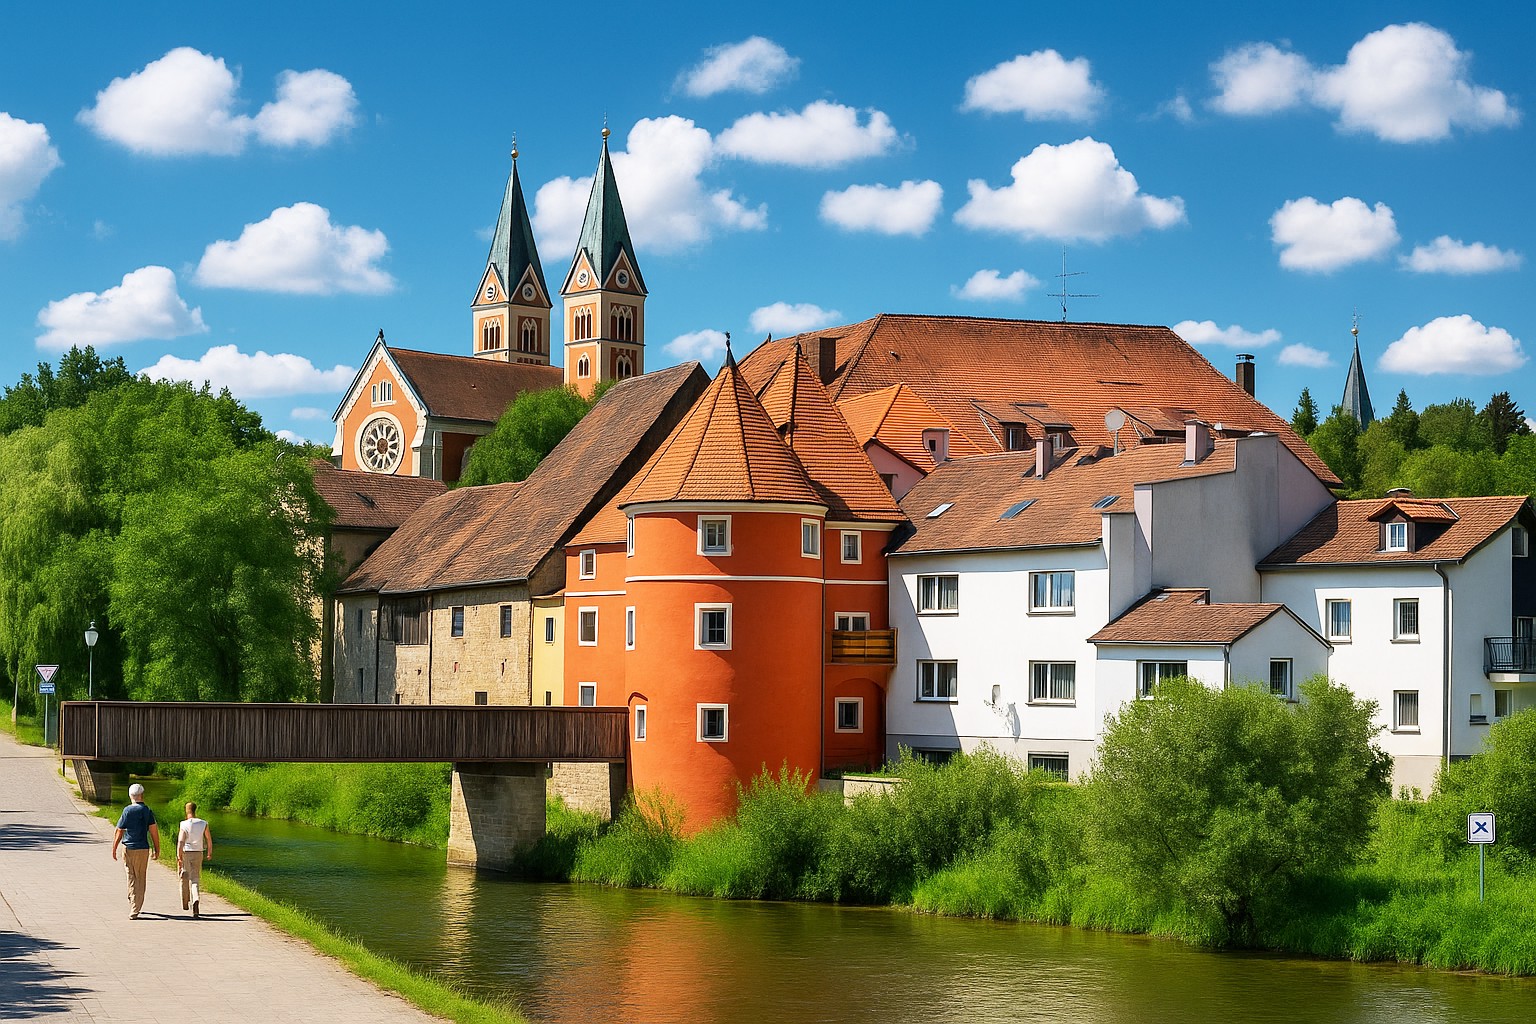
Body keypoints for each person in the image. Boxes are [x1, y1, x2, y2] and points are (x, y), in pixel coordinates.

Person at [111, 783, 160, 919]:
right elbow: (154, 831)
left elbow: (119, 830)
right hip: (143, 849)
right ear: (142, 795)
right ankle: (135, 905)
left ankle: (134, 904)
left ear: (130, 796)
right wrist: (157, 849)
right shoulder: (147, 811)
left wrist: (114, 848)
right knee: (141, 877)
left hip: (128, 848)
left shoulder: (127, 811)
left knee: (130, 875)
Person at [176, 801, 213, 918]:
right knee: (195, 878)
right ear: (195, 810)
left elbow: (181, 841)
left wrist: (179, 854)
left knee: (184, 876)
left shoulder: (183, 824)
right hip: (198, 852)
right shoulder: (203, 823)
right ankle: (195, 899)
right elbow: (208, 839)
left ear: (186, 811)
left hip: (186, 852)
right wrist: (209, 852)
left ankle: (185, 902)